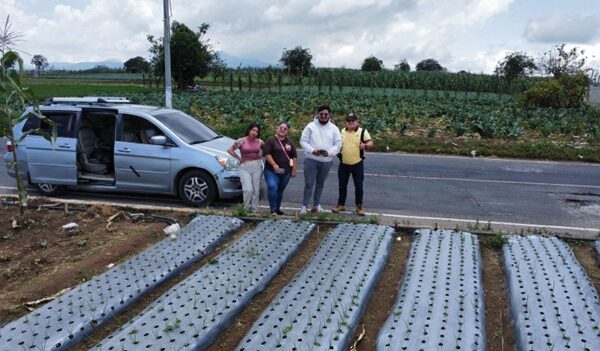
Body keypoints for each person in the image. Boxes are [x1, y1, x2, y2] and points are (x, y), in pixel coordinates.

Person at [299, 105, 342, 214]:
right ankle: (304, 206)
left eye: (326, 114)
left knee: (320, 184)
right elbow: (303, 141)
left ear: (329, 115)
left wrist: (330, 152)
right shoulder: (310, 126)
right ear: (318, 114)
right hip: (311, 159)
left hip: (326, 161)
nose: (323, 116)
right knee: (309, 183)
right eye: (321, 114)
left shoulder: (334, 128)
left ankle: (316, 205)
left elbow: (338, 144)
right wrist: (312, 150)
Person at [331, 114, 374, 216]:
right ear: (345, 122)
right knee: (342, 186)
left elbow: (371, 143)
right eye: (348, 120)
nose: (351, 122)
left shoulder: (362, 131)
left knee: (358, 186)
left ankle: (359, 207)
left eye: (353, 120)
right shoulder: (341, 131)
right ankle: (341, 205)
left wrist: (365, 145)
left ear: (357, 121)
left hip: (357, 164)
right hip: (343, 164)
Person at [262, 122, 298, 215]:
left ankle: (277, 209)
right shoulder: (271, 140)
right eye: (281, 127)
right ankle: (273, 209)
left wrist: (294, 169)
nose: (282, 130)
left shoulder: (290, 142)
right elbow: (267, 154)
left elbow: (294, 157)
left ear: (287, 132)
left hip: (286, 172)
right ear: (277, 128)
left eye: (285, 129)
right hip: (271, 170)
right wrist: (274, 164)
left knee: (280, 190)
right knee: (272, 187)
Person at [227, 123, 264, 212]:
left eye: (256, 131)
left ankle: (254, 209)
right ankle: (245, 209)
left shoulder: (260, 142)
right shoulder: (241, 141)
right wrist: (239, 158)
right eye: (253, 130)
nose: (254, 132)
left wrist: (260, 156)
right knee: (248, 189)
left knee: (256, 190)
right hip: (245, 166)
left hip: (257, 165)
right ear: (249, 130)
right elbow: (230, 150)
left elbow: (265, 150)